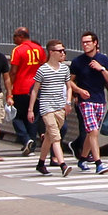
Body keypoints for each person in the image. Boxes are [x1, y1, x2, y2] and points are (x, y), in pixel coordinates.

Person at [69, 30, 108, 174]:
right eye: (83, 42)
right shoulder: (77, 62)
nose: (85, 45)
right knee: (93, 131)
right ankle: (98, 163)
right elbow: (69, 82)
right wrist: (78, 91)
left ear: (95, 43)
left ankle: (82, 158)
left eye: (88, 42)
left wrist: (101, 68)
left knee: (92, 134)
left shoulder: (103, 59)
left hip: (100, 100)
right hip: (86, 101)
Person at [26, 39, 75, 176]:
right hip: (46, 108)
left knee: (49, 136)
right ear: (51, 52)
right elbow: (35, 90)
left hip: (60, 107)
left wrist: (68, 102)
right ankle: (62, 164)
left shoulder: (65, 68)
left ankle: (41, 164)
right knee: (55, 136)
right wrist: (31, 110)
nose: (62, 53)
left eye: (63, 50)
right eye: (60, 51)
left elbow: (69, 87)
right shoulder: (42, 69)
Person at [7, 26, 45, 153]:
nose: (13, 39)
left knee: (16, 116)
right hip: (36, 87)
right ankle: (32, 143)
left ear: (21, 36)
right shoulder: (39, 49)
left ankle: (25, 139)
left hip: (21, 88)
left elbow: (13, 71)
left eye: (15, 36)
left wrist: (9, 88)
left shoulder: (18, 50)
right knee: (33, 116)